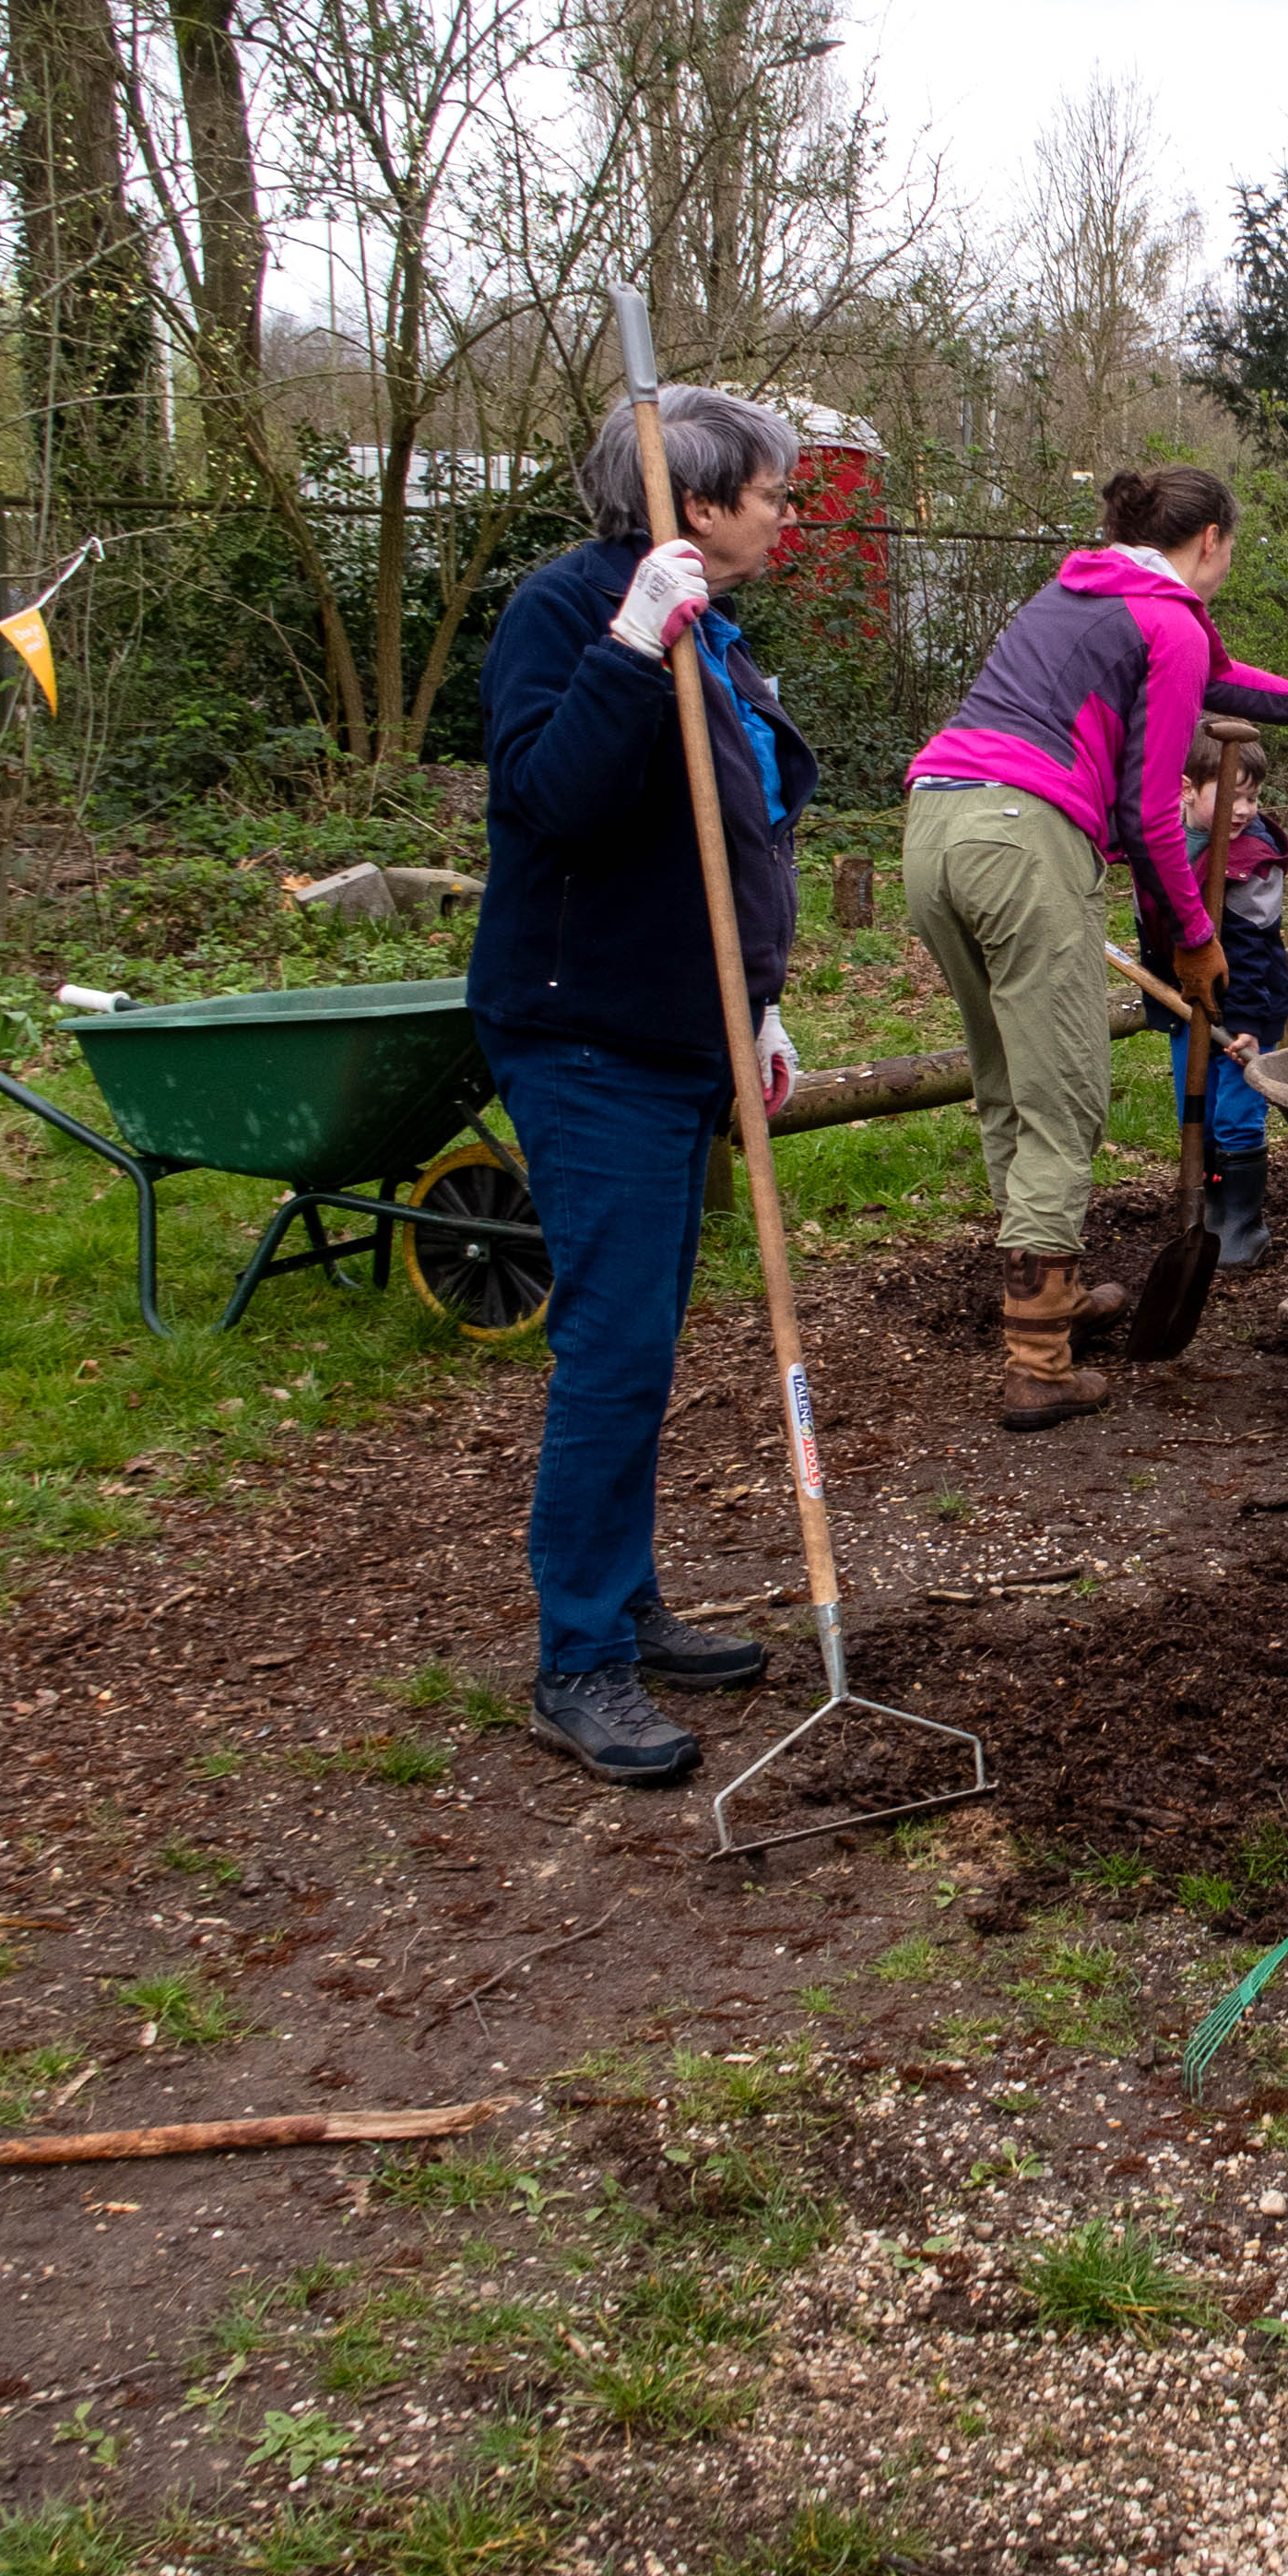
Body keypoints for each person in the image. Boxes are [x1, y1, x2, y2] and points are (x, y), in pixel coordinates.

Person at [469, 386, 816, 1786]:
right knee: (612, 1349)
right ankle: (578, 1661)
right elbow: (552, 801)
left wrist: (762, 1003)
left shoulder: (714, 630)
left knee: (649, 1341)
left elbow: (733, 834)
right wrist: (628, 644)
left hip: (686, 1032)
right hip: (589, 1032)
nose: (788, 513)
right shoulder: (572, 610)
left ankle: (624, 1603)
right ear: (697, 500)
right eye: (771, 493)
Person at [905, 466, 1288, 1428]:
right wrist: (1195, 940)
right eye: (1232, 550)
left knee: (1007, 1078)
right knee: (1066, 1094)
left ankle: (1047, 1289)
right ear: (1209, 543)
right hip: (1022, 840)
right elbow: (1149, 812)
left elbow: (1220, 683)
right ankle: (1037, 1360)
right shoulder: (1168, 619)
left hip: (934, 826)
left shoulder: (1083, 590)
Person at [1138, 748, 1288, 1270]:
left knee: (1236, 1115)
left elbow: (1251, 948)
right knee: (1194, 1112)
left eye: (1252, 796)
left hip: (1244, 1008)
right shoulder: (1161, 842)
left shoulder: (1254, 856)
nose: (1245, 808)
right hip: (1187, 1005)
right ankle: (1205, 1214)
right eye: (1231, 795)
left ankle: (1243, 1226)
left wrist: (1246, 1023)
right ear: (1186, 790)